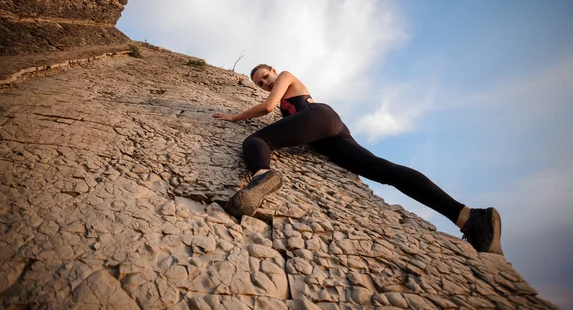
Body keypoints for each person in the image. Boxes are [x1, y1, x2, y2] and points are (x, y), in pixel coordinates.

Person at [213, 64, 503, 255]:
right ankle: (468, 217)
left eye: (265, 77)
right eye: (261, 83)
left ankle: (263, 174)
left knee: (256, 140)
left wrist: (235, 116)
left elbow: (268, 107)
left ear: (274, 70)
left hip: (317, 117)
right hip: (328, 132)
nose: (265, 83)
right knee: (383, 170)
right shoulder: (281, 90)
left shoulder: (286, 76)